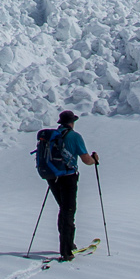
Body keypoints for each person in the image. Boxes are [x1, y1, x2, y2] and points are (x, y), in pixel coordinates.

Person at [47, 110, 99, 259]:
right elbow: (86, 160)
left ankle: (68, 244)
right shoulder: (75, 137)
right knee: (69, 211)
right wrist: (95, 160)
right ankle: (66, 250)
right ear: (72, 123)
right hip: (68, 178)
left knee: (63, 209)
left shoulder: (52, 136)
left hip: (53, 177)